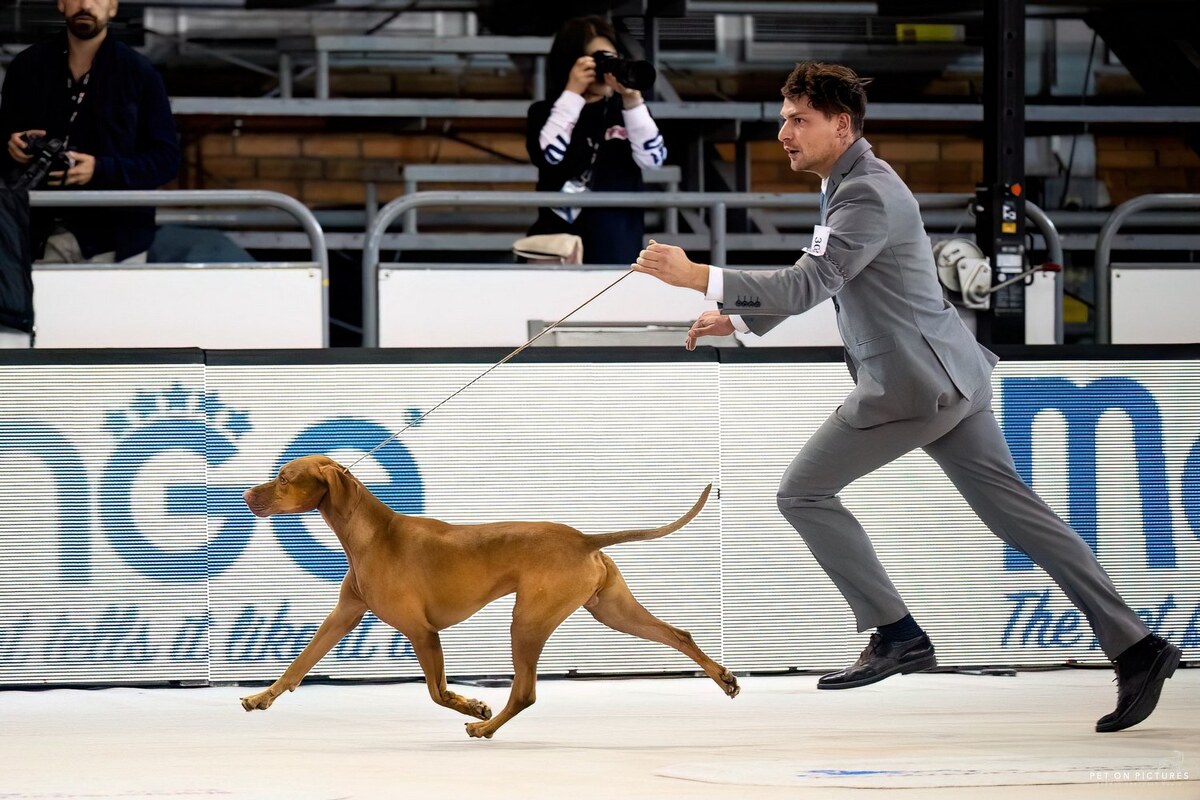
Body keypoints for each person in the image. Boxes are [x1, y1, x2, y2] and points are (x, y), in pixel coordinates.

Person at [631, 61, 1179, 733]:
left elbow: (811, 283)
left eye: (797, 119)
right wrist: (739, 318)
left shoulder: (864, 193)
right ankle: (1140, 647)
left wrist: (700, 278)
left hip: (914, 388)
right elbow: (830, 276)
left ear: (841, 124)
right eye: (783, 119)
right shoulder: (852, 183)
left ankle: (896, 633)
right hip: (951, 378)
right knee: (1024, 522)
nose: (783, 133)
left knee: (801, 493)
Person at [0, 0, 180, 270]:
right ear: (61, 3)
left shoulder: (138, 72)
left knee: (116, 312)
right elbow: (4, 138)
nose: (85, 5)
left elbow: (167, 160)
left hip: (116, 239)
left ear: (113, 7)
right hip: (37, 234)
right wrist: (10, 145)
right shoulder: (27, 66)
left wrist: (100, 169)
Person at [525, 15, 667, 265]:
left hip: (617, 245)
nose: (605, 70)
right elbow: (549, 156)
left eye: (611, 59)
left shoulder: (627, 111)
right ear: (571, 63)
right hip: (561, 250)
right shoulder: (546, 112)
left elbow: (653, 160)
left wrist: (633, 100)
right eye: (598, 61)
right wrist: (572, 93)